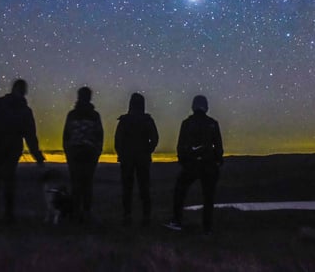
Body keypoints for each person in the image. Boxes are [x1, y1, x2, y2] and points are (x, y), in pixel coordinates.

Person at [0, 79, 45, 223]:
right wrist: (37, 156)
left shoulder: (2, 103)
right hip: (5, 148)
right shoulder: (24, 110)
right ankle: (5, 215)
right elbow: (30, 134)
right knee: (5, 181)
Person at [166, 95, 223, 235]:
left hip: (191, 165)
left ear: (193, 106)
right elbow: (219, 147)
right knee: (208, 197)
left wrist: (184, 161)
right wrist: (217, 160)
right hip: (209, 165)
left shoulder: (187, 123)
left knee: (180, 191)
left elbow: (181, 145)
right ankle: (207, 228)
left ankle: (177, 221)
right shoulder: (212, 123)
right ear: (206, 106)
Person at [114, 92, 159, 227]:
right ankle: (146, 217)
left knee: (127, 189)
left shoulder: (125, 120)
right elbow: (155, 138)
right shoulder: (147, 120)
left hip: (127, 159)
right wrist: (147, 150)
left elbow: (118, 140)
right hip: (142, 159)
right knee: (144, 188)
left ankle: (127, 216)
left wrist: (121, 154)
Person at [63, 86, 103, 223]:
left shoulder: (72, 115)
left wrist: (68, 151)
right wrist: (97, 151)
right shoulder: (94, 115)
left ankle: (76, 213)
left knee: (76, 184)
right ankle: (85, 212)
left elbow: (66, 136)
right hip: (89, 153)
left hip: (75, 153)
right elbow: (99, 135)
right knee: (87, 184)